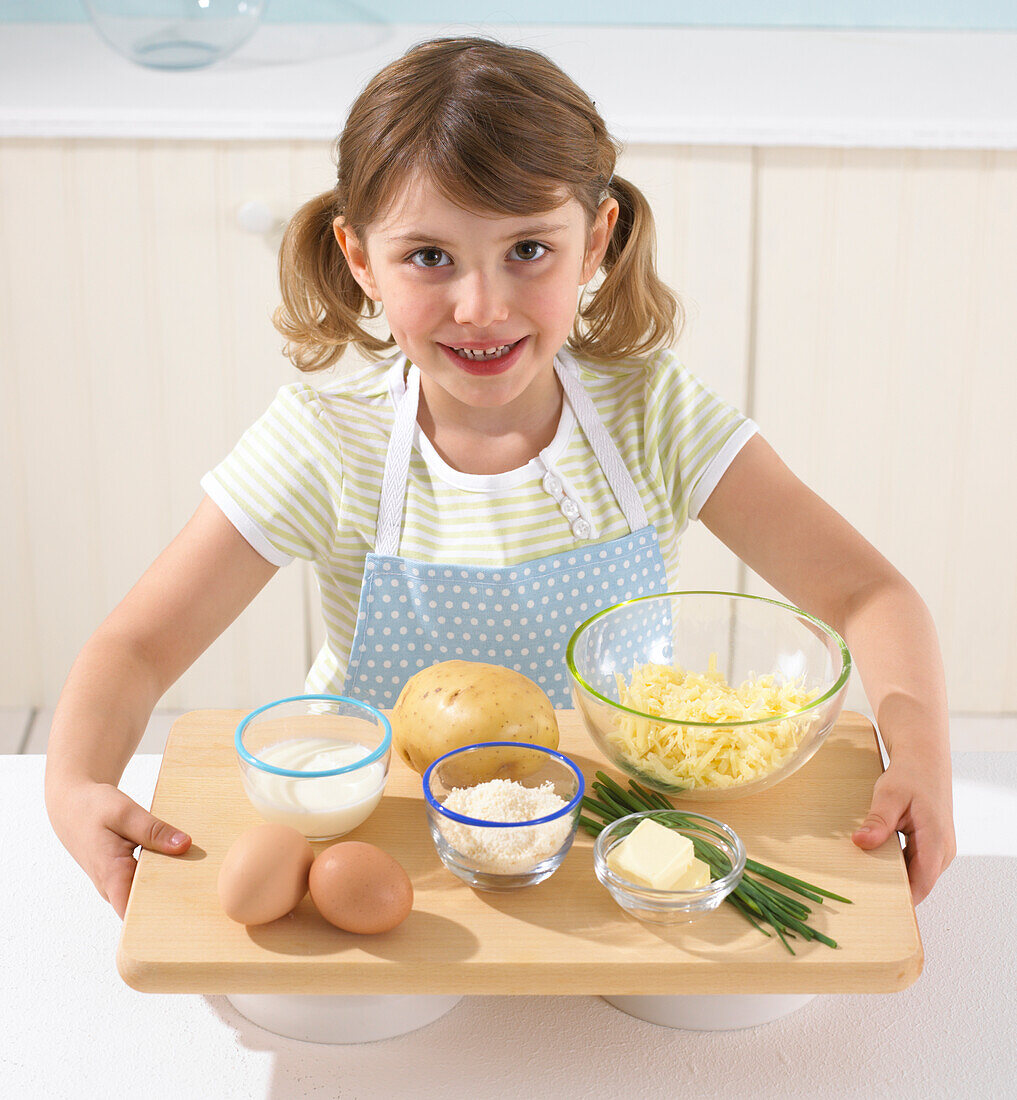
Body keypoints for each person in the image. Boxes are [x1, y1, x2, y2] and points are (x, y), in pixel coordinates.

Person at [45, 35, 954, 920]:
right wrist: (75, 780)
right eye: (428, 256)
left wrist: (917, 752)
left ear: (595, 241)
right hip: (394, 840)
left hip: (609, 841)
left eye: (528, 250)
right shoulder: (326, 441)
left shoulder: (654, 415)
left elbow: (868, 592)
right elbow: (137, 648)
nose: (480, 308)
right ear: (361, 259)